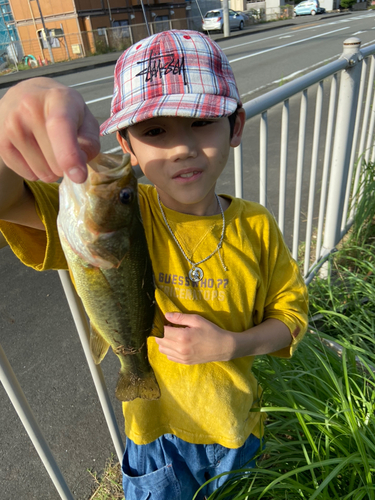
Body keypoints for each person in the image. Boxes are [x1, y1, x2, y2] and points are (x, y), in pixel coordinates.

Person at [0, 30, 308, 499]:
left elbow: (292, 317)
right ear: (126, 145)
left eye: (201, 121)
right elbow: (7, 197)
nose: (181, 147)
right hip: (153, 441)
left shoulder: (257, 227)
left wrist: (231, 345)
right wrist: (16, 110)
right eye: (155, 131)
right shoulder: (124, 213)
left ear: (237, 125)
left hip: (238, 430)